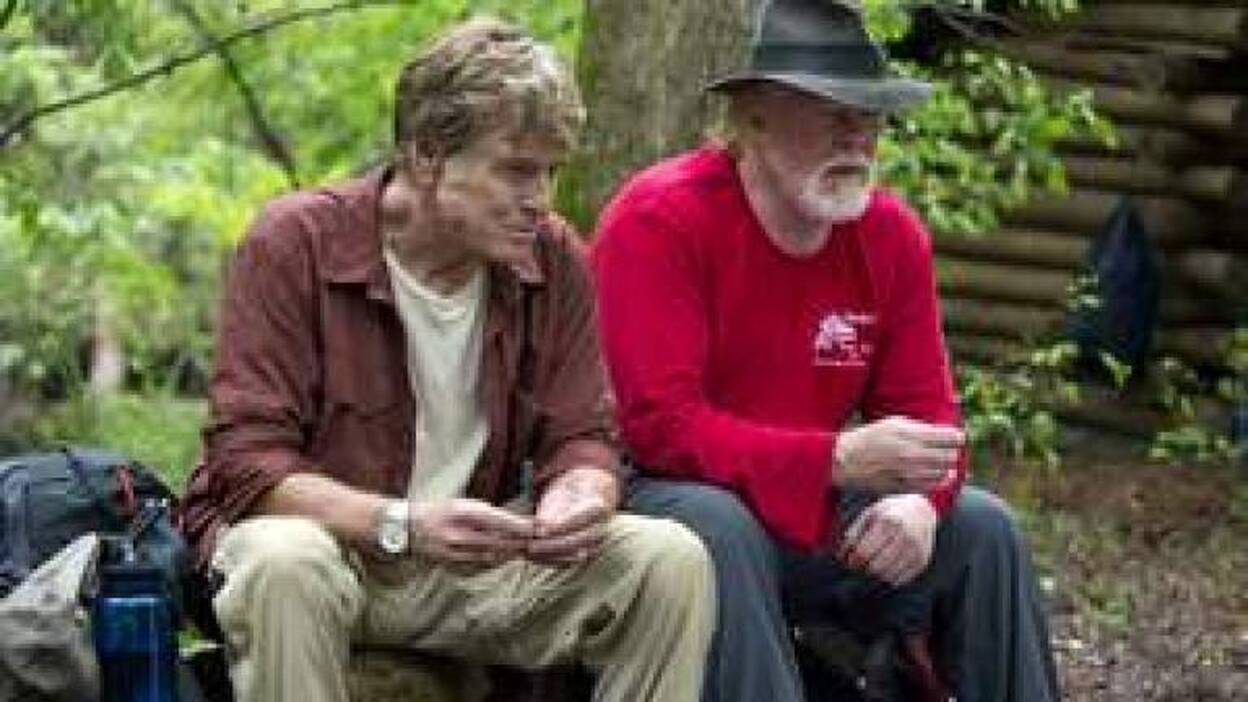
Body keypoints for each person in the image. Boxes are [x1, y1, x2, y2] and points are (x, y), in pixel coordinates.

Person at [178, 17, 713, 702]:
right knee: (284, 558)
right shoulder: (296, 242)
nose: (540, 199)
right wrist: (399, 525)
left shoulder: (553, 257)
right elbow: (247, 463)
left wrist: (580, 493)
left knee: (667, 560)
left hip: (473, 565)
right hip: (337, 552)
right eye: (516, 171)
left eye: (551, 173)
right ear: (427, 155)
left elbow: (582, 435)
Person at [591, 1, 1060, 700]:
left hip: (808, 507)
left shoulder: (891, 235)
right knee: (720, 527)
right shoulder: (661, 219)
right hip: (658, 500)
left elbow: (933, 421)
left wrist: (922, 505)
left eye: (869, 116)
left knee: (982, 528)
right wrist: (834, 459)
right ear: (753, 118)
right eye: (831, 112)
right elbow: (659, 428)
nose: (856, 136)